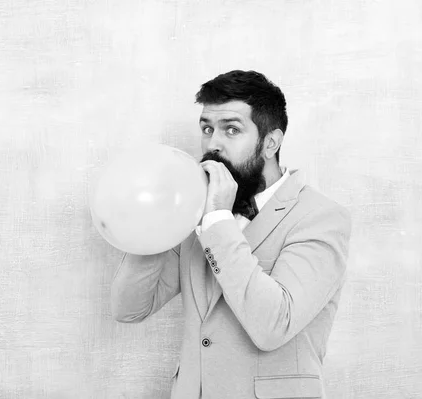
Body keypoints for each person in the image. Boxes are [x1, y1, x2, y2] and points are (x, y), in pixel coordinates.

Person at [111, 70, 352, 399]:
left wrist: (220, 221)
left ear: (271, 142)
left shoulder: (321, 217)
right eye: (207, 129)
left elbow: (273, 326)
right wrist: (157, 219)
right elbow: (130, 308)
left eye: (231, 129)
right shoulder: (193, 211)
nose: (213, 144)